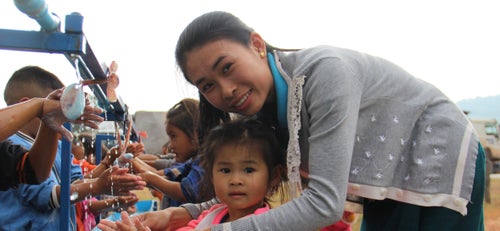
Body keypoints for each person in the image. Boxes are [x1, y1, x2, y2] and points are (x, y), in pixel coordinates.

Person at [124, 11, 485, 231]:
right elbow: (252, 192)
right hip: (388, 182)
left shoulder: (325, 75)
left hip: (438, 154)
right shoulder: (260, 110)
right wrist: (180, 216)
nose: (227, 90)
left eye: (228, 68)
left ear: (257, 44)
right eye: (208, 85)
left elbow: (324, 204)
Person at [0, 65, 145, 230]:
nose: (64, 117)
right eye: (56, 107)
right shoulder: (12, 146)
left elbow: (74, 183)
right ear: (28, 106)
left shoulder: (58, 146)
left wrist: (106, 178)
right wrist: (97, 186)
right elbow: (45, 196)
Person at [97, 118, 286, 231]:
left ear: (274, 176)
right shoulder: (213, 213)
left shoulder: (263, 225)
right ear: (211, 176)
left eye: (248, 170)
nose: (236, 180)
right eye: (225, 170)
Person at [0, 67, 103, 191]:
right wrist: (40, 106)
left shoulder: (11, 149)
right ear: (26, 104)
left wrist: (52, 120)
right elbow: (45, 195)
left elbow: (34, 173)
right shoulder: (16, 141)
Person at [132, 98, 204, 208]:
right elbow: (167, 176)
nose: (170, 145)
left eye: (174, 136)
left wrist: (149, 177)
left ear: (194, 134)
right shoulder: (188, 163)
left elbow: (185, 192)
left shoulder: (203, 162)